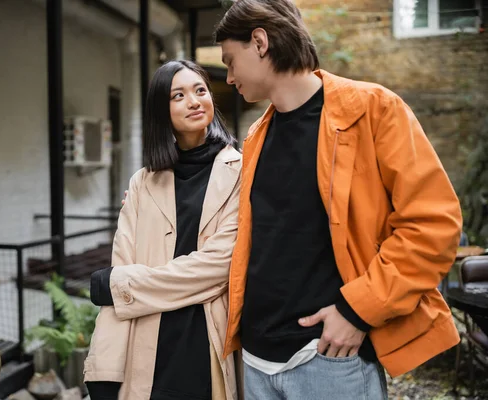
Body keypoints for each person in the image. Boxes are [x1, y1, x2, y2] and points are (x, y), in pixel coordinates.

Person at [213, 1, 463, 399]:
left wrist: (357, 311)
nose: (227, 77)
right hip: (256, 362)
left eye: (230, 60)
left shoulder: (374, 109)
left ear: (259, 42)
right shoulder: (256, 137)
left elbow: (433, 226)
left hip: (329, 360)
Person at [83, 60, 242, 400]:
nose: (195, 101)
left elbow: (219, 266)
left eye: (200, 91)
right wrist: (104, 371)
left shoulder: (240, 171)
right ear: (161, 109)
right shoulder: (142, 182)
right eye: (178, 95)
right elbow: (120, 272)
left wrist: (119, 284)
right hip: (147, 345)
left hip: (205, 341)